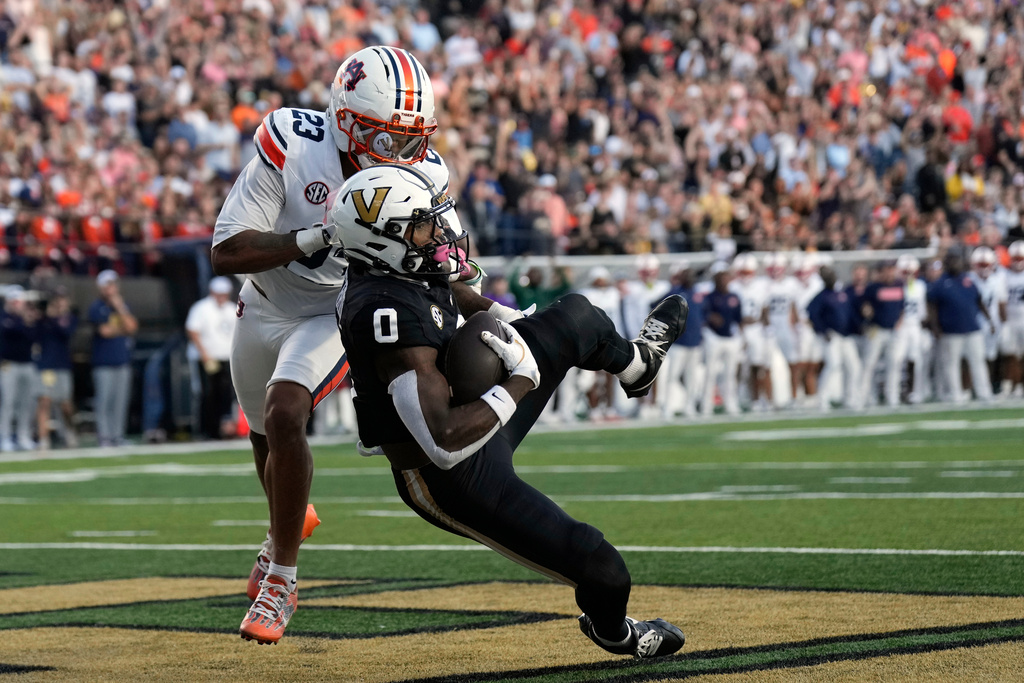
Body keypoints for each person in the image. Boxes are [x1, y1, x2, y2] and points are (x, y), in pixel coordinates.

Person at [331, 164, 688, 659]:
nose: (438, 232)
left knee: (575, 319)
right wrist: (521, 379)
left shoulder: (396, 265)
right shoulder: (384, 314)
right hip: (447, 474)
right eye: (420, 225)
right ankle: (616, 633)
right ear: (381, 240)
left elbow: (454, 293)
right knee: (603, 569)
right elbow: (444, 441)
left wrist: (516, 323)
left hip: (472, 408)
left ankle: (638, 366)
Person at [212, 47, 500, 644]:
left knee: (286, 411)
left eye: (410, 140)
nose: (401, 157)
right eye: (385, 139)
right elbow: (228, 250)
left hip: (338, 306)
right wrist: (318, 233)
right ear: (345, 119)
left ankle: (282, 580)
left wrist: (487, 301)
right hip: (263, 302)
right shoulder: (292, 140)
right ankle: (281, 531)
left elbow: (446, 265)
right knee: (264, 440)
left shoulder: (425, 174)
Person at [927, 252, 993, 404]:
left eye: (957, 260)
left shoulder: (968, 280)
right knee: (951, 364)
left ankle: (984, 392)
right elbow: (932, 307)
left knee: (978, 361)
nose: (955, 264)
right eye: (952, 261)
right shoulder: (940, 283)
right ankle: (955, 394)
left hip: (972, 328)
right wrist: (935, 327)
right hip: (951, 331)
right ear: (946, 263)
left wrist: (989, 320)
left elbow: (979, 301)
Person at [89, 270, 138, 447]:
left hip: (122, 359)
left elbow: (132, 327)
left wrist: (120, 308)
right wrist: (123, 328)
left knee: (120, 402)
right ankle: (105, 437)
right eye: (107, 285)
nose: (111, 288)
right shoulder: (97, 307)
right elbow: (105, 331)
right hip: (103, 361)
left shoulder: (122, 305)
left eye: (113, 284)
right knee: (104, 401)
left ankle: (117, 436)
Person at [185, 276, 238, 439]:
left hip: (226, 358)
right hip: (207, 358)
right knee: (207, 393)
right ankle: (205, 429)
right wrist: (205, 354)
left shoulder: (231, 308)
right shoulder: (202, 308)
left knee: (226, 394)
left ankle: (223, 429)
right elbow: (193, 331)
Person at [808, 266, 862, 411]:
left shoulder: (842, 294)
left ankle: (851, 398)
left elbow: (850, 314)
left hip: (847, 336)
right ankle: (822, 400)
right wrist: (823, 331)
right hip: (832, 336)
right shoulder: (822, 296)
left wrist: (858, 327)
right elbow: (812, 315)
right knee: (832, 365)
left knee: (854, 367)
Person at [660, 261, 705, 418]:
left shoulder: (698, 294)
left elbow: (703, 315)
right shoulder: (675, 293)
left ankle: (689, 406)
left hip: (695, 341)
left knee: (692, 376)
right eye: (687, 275)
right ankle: (668, 407)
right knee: (673, 375)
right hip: (679, 342)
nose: (690, 278)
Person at [858, 261, 905, 407]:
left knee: (894, 364)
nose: (889, 273)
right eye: (886, 270)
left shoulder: (899, 285)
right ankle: (864, 397)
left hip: (893, 331)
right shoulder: (873, 288)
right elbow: (864, 306)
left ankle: (892, 397)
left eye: (891, 270)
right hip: (877, 330)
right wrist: (868, 316)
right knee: (869, 364)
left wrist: (899, 322)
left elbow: (902, 307)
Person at [35, 288, 78, 449]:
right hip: (47, 366)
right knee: (44, 401)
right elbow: (35, 334)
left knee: (65, 404)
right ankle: (43, 439)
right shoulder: (44, 319)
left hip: (62, 365)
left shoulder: (69, 318)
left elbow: (65, 332)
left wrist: (55, 317)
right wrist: (46, 316)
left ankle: (70, 431)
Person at [730, 253, 771, 411]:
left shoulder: (761, 286)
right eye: (742, 272)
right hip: (738, 329)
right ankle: (736, 397)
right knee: (737, 366)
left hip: (756, 329)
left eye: (748, 272)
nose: (745, 276)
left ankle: (756, 399)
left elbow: (765, 308)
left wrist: (766, 327)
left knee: (757, 365)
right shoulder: (733, 286)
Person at [0, 287, 39, 451]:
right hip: (8, 364)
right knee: (8, 401)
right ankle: (5, 436)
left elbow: (34, 336)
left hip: (27, 363)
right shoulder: (4, 317)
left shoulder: (25, 319)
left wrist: (27, 320)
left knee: (27, 403)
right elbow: (13, 331)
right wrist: (25, 320)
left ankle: (23, 436)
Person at [701, 262, 743, 416]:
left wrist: (742, 337)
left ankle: (731, 404)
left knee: (730, 374)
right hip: (714, 337)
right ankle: (707, 406)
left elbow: (739, 319)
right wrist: (710, 317)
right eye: (721, 277)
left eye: (726, 276)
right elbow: (702, 315)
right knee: (711, 372)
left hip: (731, 338)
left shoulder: (734, 297)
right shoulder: (709, 297)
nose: (724, 280)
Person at [893, 255, 932, 404]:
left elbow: (923, 311)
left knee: (915, 360)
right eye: (905, 272)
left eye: (911, 272)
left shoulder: (921, 286)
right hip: (900, 327)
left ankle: (915, 392)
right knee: (897, 360)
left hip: (915, 326)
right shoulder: (895, 286)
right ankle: (896, 392)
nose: (908, 275)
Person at [968, 247, 1006, 396]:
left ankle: (988, 386)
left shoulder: (997, 280)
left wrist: (1003, 324)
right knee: (971, 358)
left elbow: (1002, 303)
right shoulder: (968, 279)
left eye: (986, 265)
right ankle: (970, 388)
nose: (983, 268)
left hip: (993, 324)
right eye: (980, 265)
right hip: (974, 324)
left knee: (990, 357)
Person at [1001, 241, 1024, 397]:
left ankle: (1020, 386)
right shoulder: (1004, 275)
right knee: (1009, 355)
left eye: (1020, 258)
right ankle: (1009, 385)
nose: (1017, 262)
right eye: (1014, 258)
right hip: (1010, 321)